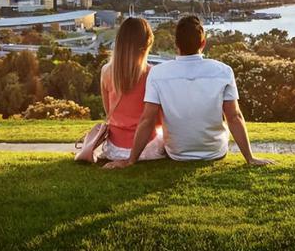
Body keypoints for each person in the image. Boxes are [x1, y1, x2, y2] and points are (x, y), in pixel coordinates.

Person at [104, 15, 273, 169]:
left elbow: (147, 119)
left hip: (176, 153)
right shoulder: (223, 71)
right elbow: (234, 117)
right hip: (214, 151)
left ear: (176, 44)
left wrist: (131, 160)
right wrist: (250, 158)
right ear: (203, 43)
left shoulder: (158, 73)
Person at [100, 17, 165, 165]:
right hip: (145, 148)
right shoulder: (152, 74)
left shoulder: (106, 71)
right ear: (147, 44)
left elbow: (108, 111)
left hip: (114, 148)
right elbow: (158, 120)